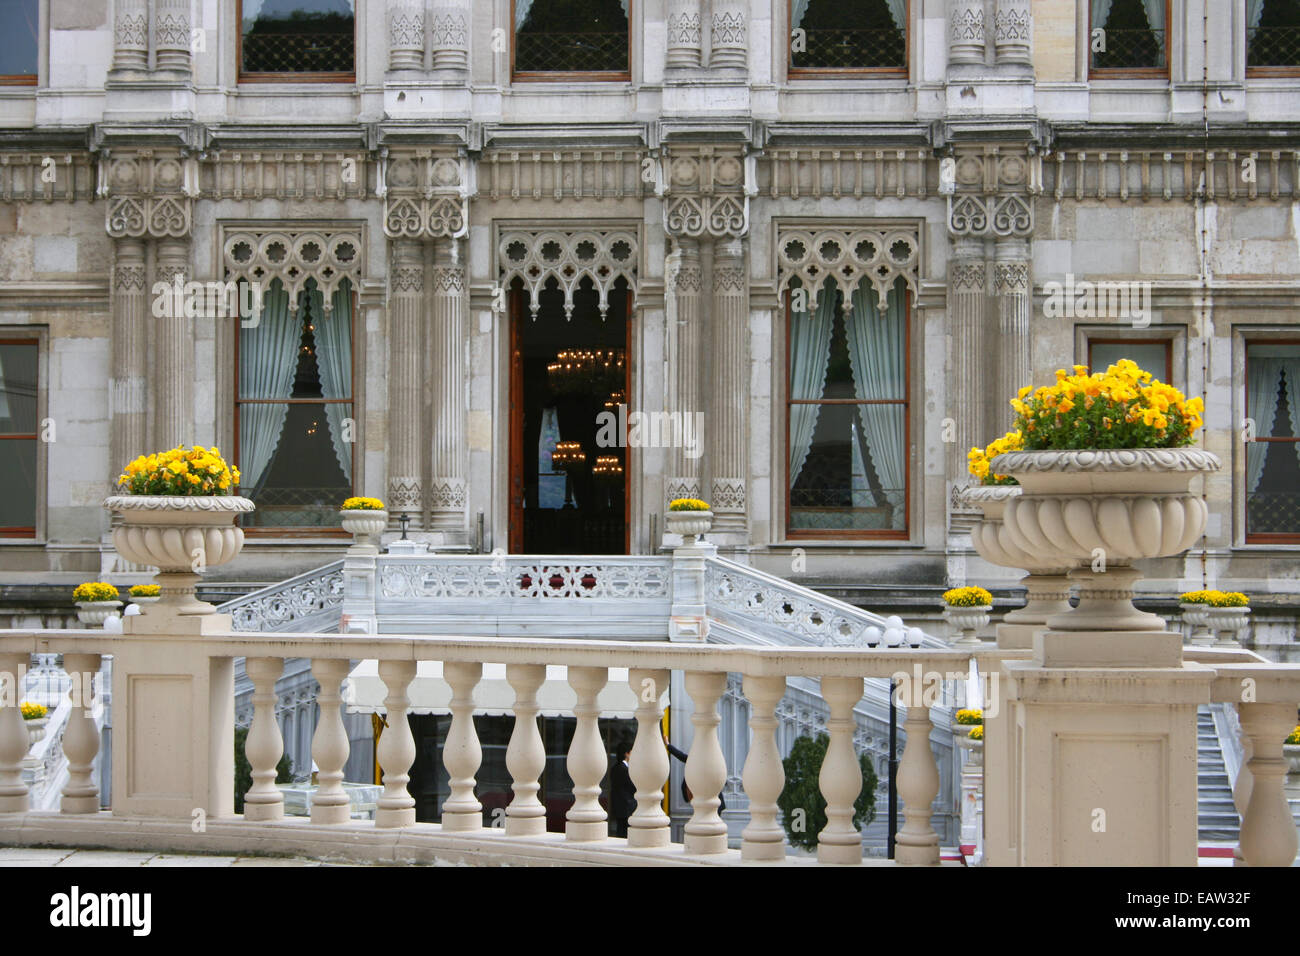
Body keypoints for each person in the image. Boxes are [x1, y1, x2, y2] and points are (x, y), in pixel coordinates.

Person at [662, 733, 726, 812]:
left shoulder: (706, 761)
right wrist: (668, 745)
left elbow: (681, 756)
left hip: (712, 800)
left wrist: (668, 745)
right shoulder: (698, 759)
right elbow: (681, 756)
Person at [608, 744, 636, 838]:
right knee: (625, 834)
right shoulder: (624, 770)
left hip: (619, 807)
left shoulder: (615, 768)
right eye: (632, 752)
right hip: (626, 807)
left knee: (620, 831)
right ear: (627, 754)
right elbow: (632, 787)